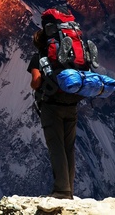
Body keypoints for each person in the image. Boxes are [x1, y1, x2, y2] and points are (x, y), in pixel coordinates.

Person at [27, 27, 82, 200]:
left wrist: (38, 82)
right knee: (69, 149)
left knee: (56, 147)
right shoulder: (67, 57)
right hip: (71, 105)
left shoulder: (39, 58)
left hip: (51, 108)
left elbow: (36, 81)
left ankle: (62, 191)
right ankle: (69, 190)